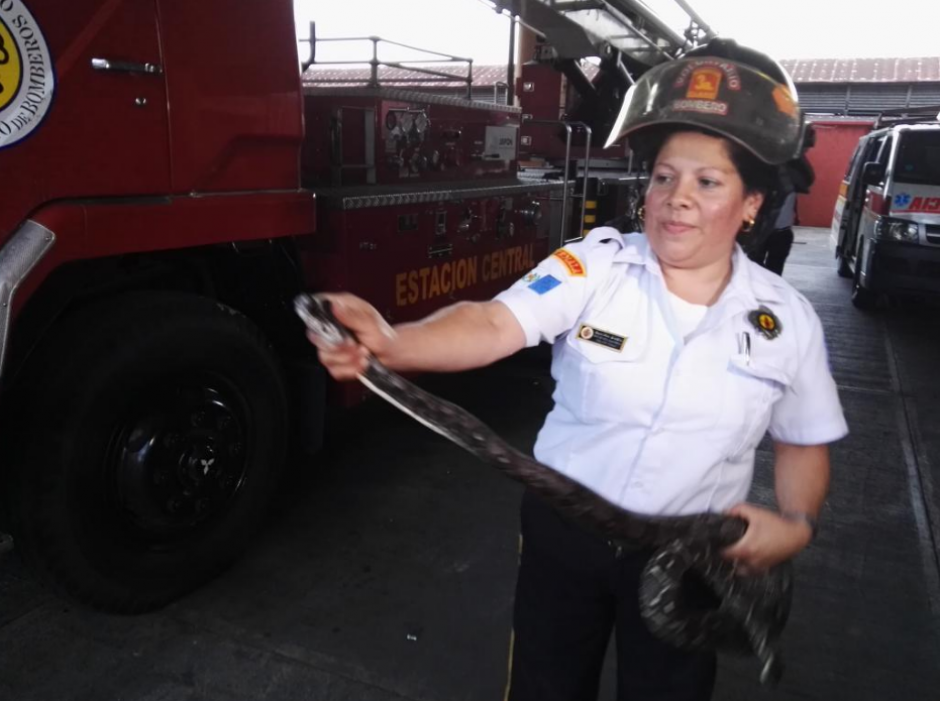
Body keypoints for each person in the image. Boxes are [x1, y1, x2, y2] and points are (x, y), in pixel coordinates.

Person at [308, 39, 848, 701]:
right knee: (545, 686)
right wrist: (392, 342)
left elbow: (802, 440)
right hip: (566, 539)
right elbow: (492, 322)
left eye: (707, 182)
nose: (676, 197)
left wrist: (796, 524)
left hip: (690, 557)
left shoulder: (786, 318)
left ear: (752, 204)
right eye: (663, 176)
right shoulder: (592, 265)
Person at [749, 188, 797, 275]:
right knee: (757, 266)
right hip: (763, 230)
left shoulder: (790, 184)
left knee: (772, 268)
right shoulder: (788, 183)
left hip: (779, 231)